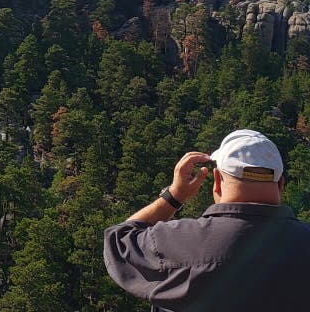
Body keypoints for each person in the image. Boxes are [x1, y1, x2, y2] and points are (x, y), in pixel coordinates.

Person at [104, 129, 310, 311]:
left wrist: (174, 196)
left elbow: (118, 242)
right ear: (281, 184)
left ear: (218, 180)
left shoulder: (177, 243)